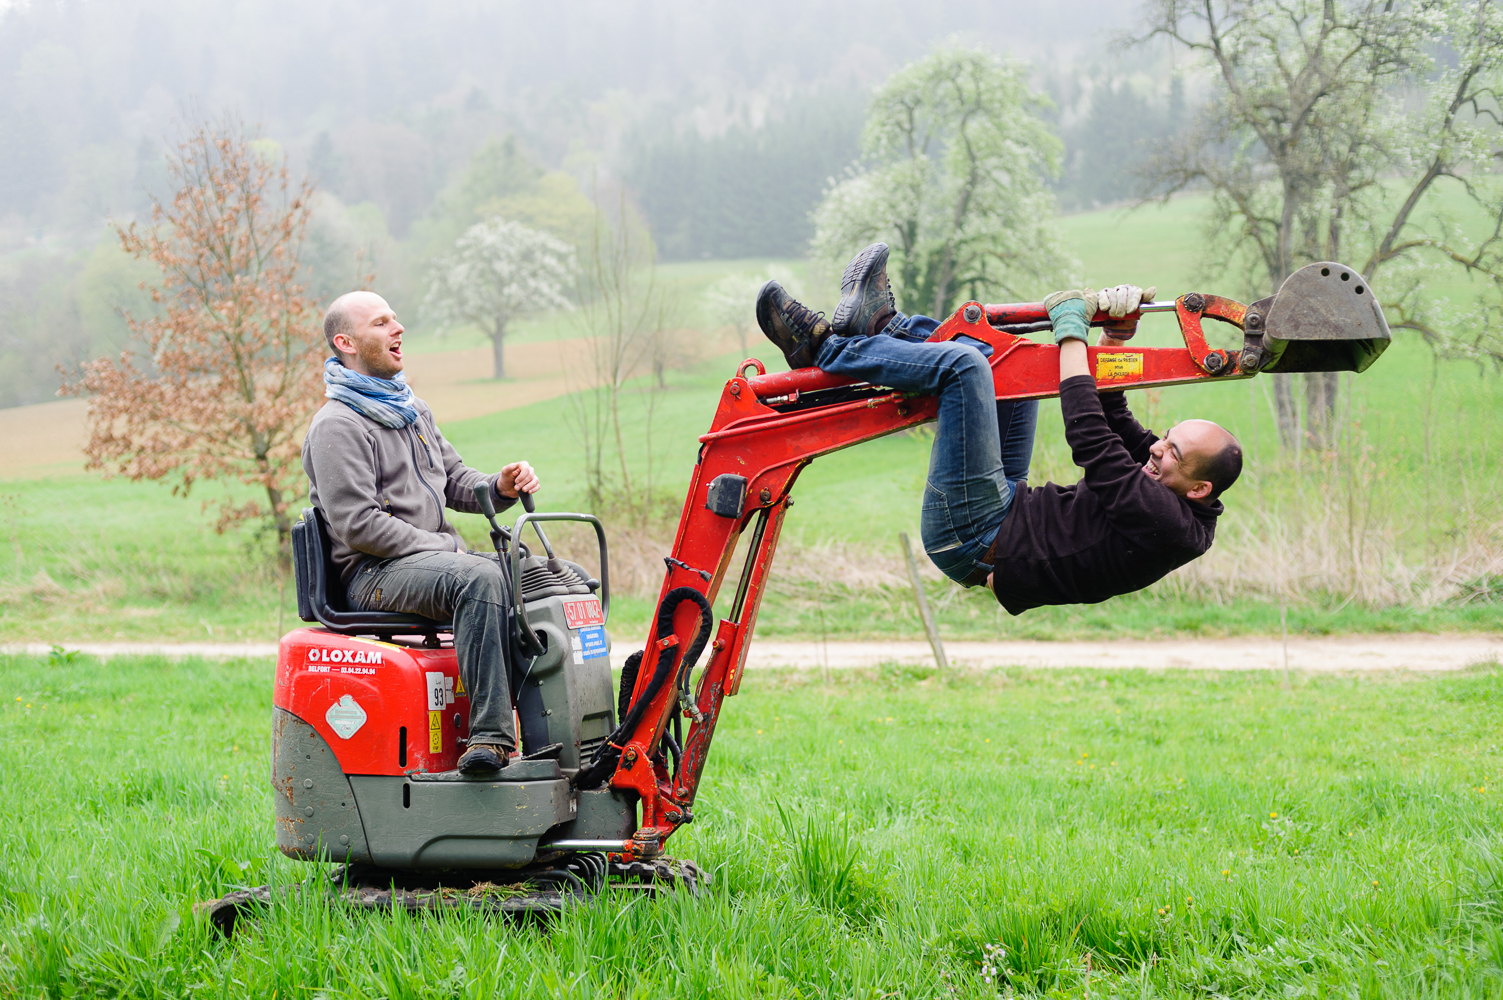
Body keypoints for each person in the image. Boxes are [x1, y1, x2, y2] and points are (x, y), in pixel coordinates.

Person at [755, 243, 1242, 615]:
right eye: (1166, 438)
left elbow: (1091, 436)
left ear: (1200, 488)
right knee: (1013, 363)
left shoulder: (1169, 522)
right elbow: (1111, 409)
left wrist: (1072, 332)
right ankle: (884, 328)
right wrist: (1116, 336)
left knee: (964, 369)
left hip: (975, 534)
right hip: (1007, 505)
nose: (1156, 449)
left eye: (1173, 452)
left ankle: (823, 348)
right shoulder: (1171, 481)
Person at [303, 290, 537, 774]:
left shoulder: (412, 410)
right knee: (478, 579)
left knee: (547, 575)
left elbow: (454, 481)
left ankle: (555, 732)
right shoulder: (336, 426)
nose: (398, 328)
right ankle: (491, 738)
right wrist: (447, 547)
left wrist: (500, 486)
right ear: (346, 343)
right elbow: (360, 525)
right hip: (374, 574)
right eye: (380, 322)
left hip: (429, 563)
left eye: (395, 318)